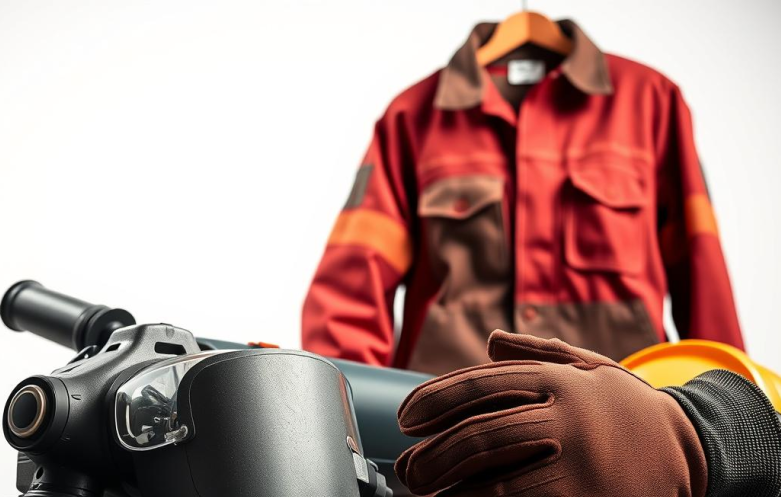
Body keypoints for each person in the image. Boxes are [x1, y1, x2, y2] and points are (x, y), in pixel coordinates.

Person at [302, 20, 744, 375]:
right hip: (448, 446)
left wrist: (732, 425)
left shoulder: (651, 104)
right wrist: (344, 433)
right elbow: (350, 298)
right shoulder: (412, 118)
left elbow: (701, 270)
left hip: (624, 445)